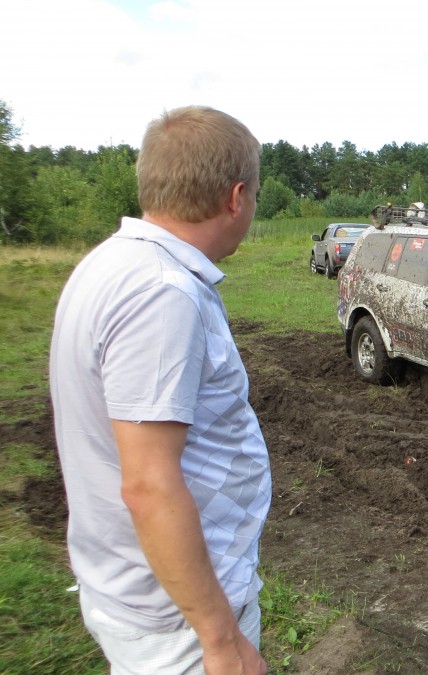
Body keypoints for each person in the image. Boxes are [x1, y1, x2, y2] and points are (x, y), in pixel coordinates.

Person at [49, 106, 271, 675]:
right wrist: (220, 639)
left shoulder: (113, 263)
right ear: (236, 197)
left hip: (144, 589)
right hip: (179, 620)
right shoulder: (162, 292)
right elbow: (149, 485)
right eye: (254, 195)